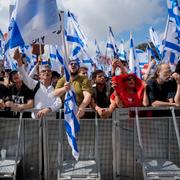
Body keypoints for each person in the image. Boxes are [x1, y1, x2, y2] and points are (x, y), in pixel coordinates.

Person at [13, 49, 62, 118]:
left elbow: (59, 102)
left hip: (51, 122)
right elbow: (24, 76)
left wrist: (48, 109)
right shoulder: (35, 84)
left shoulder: (55, 87)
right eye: (44, 71)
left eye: (48, 71)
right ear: (39, 75)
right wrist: (19, 61)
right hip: (36, 121)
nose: (46, 72)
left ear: (51, 74)